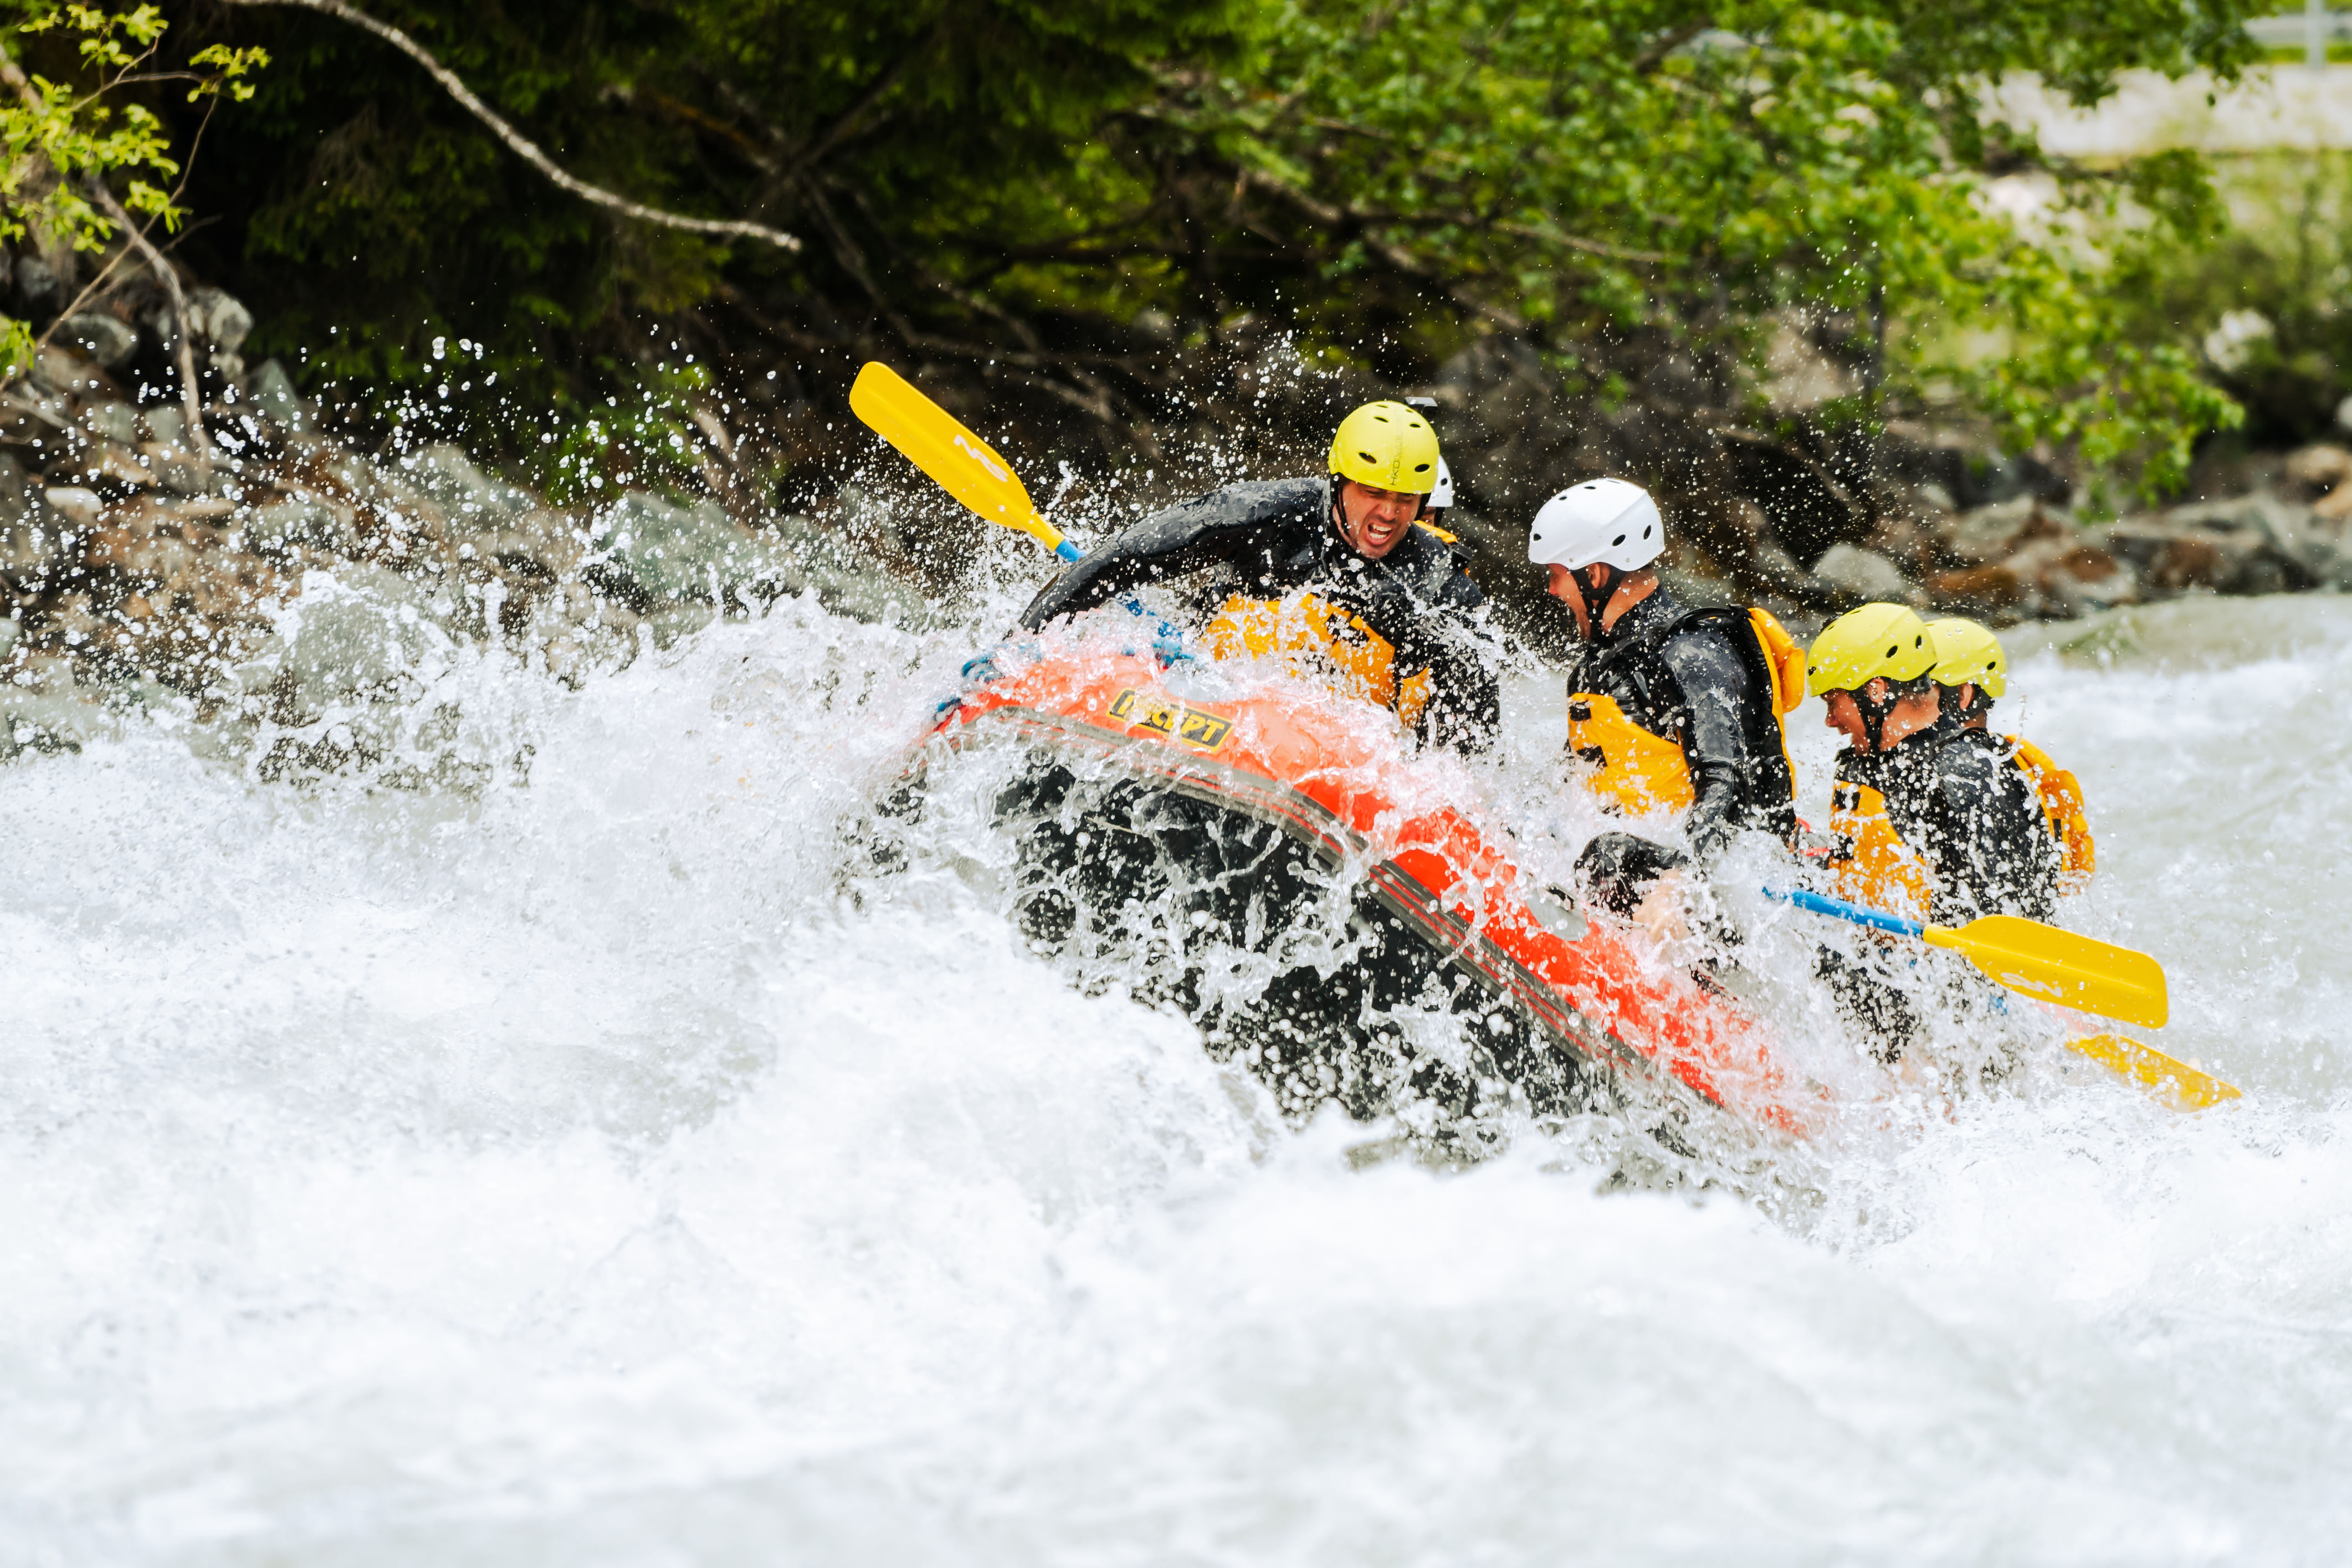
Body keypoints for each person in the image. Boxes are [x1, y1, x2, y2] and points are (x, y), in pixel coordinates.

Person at [1016, 401, 1499, 751]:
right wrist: (1013, 650)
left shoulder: (1436, 578)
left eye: (1406, 501)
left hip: (1342, 753)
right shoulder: (1262, 516)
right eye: (1374, 493)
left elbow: (1477, 713)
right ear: (1339, 483)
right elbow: (1118, 561)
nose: (1389, 514)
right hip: (1211, 698)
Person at [1529, 478, 1808, 915]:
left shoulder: (1693, 654)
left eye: (1556, 576)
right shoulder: (1601, 665)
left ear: (1595, 574)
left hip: (1706, 891)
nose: (1551, 591)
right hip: (1635, 866)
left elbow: (1726, 783)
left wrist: (1682, 881)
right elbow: (1573, 781)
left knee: (1610, 854)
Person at [1810, 604, 2060, 929]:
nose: (1830, 721)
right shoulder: (1877, 763)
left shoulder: (1965, 772)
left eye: (1833, 703)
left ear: (1876, 691)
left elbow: (2008, 912)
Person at [1925, 617, 2094, 894]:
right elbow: (2078, 870)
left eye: (1921, 690)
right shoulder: (2022, 761)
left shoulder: (1960, 773)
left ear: (1964, 695)